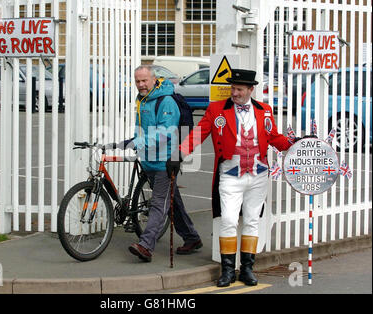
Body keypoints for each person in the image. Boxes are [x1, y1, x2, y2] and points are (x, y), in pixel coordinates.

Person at [167, 69, 296, 286]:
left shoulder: (264, 110)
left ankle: (247, 269)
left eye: (239, 89)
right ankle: (227, 270)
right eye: (232, 88)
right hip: (230, 175)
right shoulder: (217, 109)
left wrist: (295, 144)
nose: (234, 93)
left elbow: (274, 137)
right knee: (228, 220)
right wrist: (179, 154)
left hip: (258, 175)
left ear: (250, 90)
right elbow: (199, 133)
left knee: (252, 221)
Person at [125, 65, 202, 263]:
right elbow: (140, 127)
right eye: (138, 81)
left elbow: (165, 133)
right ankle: (192, 237)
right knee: (172, 200)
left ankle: (146, 245)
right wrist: (136, 141)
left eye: (144, 81)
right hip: (149, 159)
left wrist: (139, 142)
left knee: (159, 203)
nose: (141, 85)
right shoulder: (142, 100)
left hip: (166, 162)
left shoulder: (166, 101)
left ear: (154, 79)